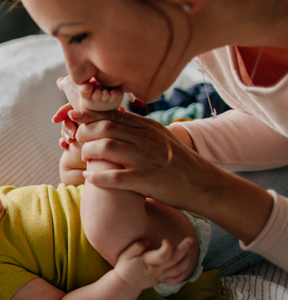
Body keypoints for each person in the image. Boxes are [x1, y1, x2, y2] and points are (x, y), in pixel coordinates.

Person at [19, 0, 288, 272]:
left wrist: (206, 188)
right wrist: (172, 144)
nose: (75, 72)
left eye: (79, 36)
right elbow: (276, 118)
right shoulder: (214, 32)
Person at [0, 117, 216, 299]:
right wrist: (126, 279)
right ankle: (105, 125)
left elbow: (69, 193)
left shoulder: (3, 198)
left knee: (79, 165)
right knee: (102, 196)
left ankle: (95, 132)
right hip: (159, 256)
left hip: (161, 204)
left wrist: (73, 151)